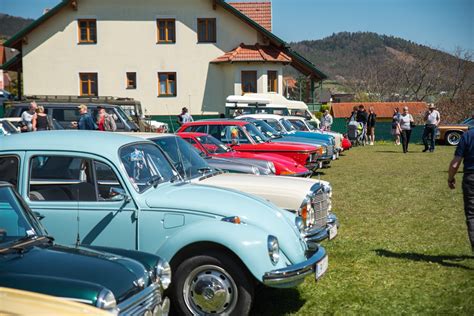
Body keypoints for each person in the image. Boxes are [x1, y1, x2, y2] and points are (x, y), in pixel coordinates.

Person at [448, 128, 474, 252]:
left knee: (472, 215)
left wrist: (450, 178)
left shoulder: (467, 136)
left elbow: (455, 164)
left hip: (471, 177)